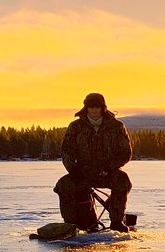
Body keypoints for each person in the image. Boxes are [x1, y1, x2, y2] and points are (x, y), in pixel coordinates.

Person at [54, 93, 132, 232]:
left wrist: (110, 167)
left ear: (103, 108)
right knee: (64, 184)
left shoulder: (117, 126)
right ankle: (70, 224)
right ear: (86, 108)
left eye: (97, 107)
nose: (94, 110)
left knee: (123, 181)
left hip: (108, 172)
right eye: (91, 107)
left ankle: (117, 221)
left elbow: (125, 152)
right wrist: (73, 169)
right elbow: (67, 151)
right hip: (83, 173)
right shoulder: (75, 127)